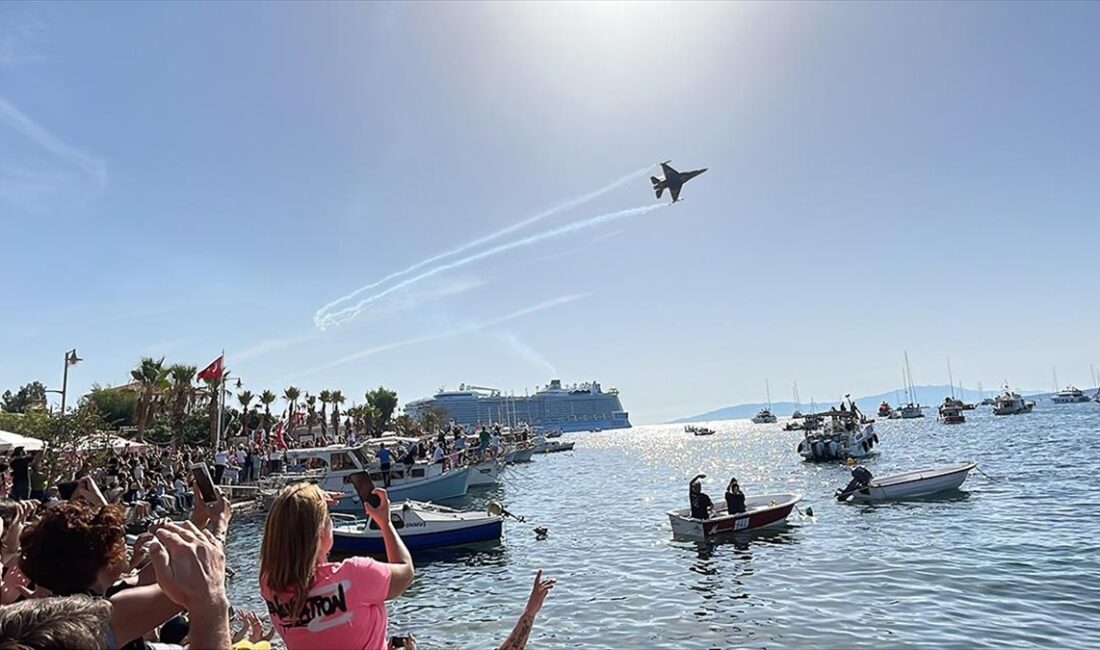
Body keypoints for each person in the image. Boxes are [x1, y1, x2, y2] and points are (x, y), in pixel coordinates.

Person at [259, 483, 414, 650]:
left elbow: (285, 518)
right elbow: (405, 571)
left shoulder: (270, 585)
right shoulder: (356, 576)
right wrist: (385, 523)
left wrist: (309, 500)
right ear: (320, 531)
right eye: (329, 518)